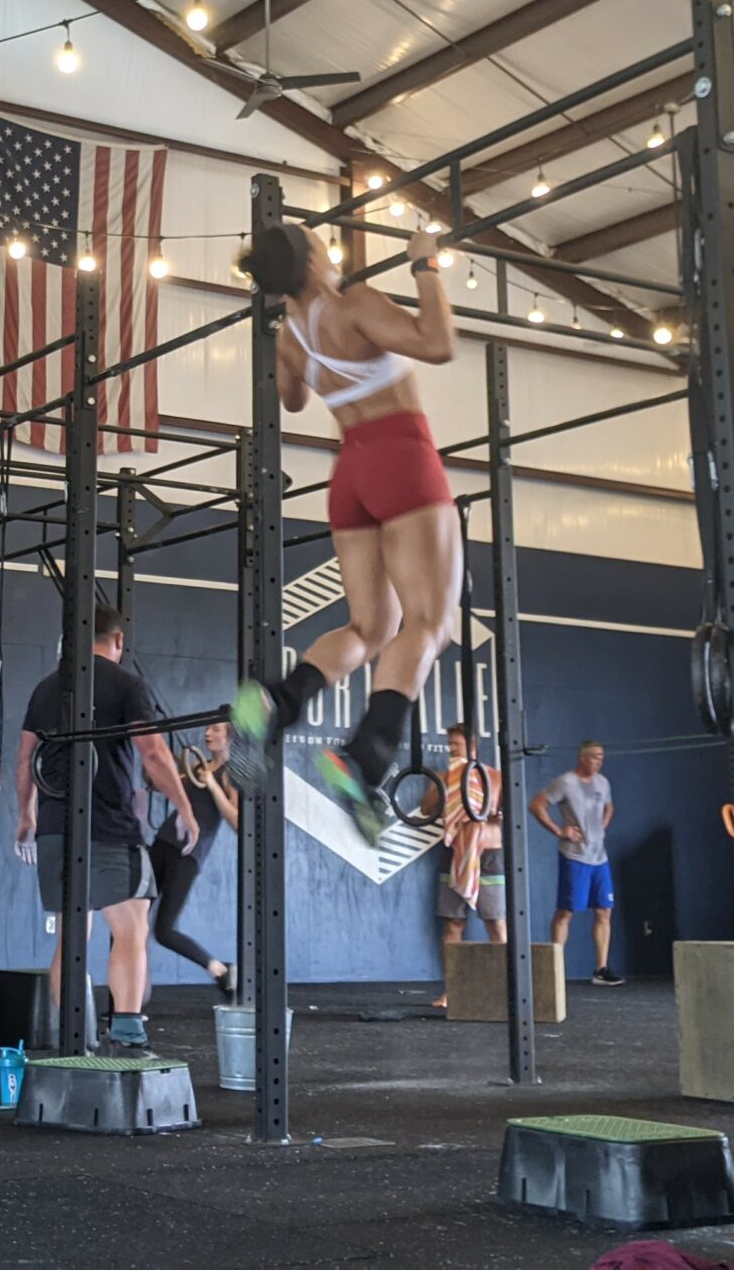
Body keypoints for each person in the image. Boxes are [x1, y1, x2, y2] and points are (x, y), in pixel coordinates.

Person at [225, 221, 457, 845]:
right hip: (401, 455)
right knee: (428, 624)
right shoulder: (355, 304)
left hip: (351, 471)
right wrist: (425, 265)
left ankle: (279, 701)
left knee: (369, 628)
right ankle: (367, 753)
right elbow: (439, 344)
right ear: (312, 259)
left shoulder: (289, 336)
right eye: (320, 241)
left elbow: (293, 400)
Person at [16, 604, 201, 1052]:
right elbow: (152, 751)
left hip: (55, 827)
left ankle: (74, 1039)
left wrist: (27, 818)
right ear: (118, 641)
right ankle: (127, 1032)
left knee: (72, 935)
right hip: (108, 826)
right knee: (131, 927)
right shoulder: (126, 684)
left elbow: (25, 760)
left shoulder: (47, 688)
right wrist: (184, 807)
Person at [149, 720, 238, 999]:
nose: (207, 733)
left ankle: (219, 969)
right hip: (163, 843)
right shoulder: (199, 766)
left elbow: (238, 822)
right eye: (207, 728)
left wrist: (212, 786)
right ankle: (126, 1001)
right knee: (131, 916)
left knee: (164, 931)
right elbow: (164, 785)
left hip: (188, 855)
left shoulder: (231, 774)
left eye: (215, 729)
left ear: (230, 737)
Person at [533, 739, 621, 986]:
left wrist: (602, 827)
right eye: (595, 757)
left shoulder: (603, 783)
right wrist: (559, 831)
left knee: (604, 911)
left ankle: (601, 970)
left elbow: (609, 807)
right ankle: (554, 970)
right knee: (566, 912)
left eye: (602, 757)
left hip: (599, 857)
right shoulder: (565, 782)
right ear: (582, 758)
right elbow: (536, 805)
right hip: (574, 856)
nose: (599, 761)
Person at [430, 722, 505, 1008]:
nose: (451, 749)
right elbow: (426, 809)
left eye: (456, 745)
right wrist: (446, 787)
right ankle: (454, 991)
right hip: (454, 854)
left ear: (471, 747)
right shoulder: (443, 777)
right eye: (449, 745)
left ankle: (504, 990)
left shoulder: (494, 776)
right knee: (453, 923)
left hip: (488, 855)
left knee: (495, 923)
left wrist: (493, 811)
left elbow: (504, 813)